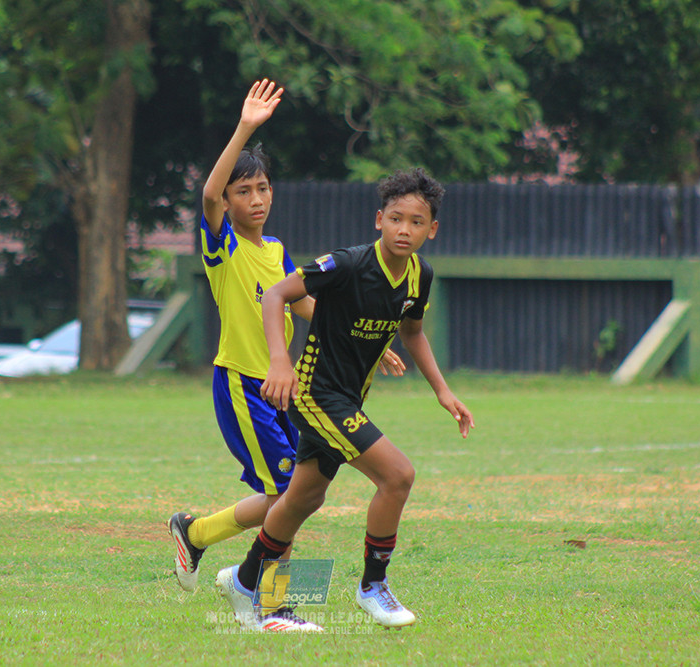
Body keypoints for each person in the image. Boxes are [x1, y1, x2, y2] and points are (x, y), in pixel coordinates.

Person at [168, 80, 405, 632]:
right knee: (287, 496)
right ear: (227, 201)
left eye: (263, 188)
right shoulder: (221, 244)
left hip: (285, 390)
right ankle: (268, 608)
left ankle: (197, 534)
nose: (256, 198)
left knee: (291, 494)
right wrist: (247, 127)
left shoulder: (275, 251)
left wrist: (375, 341)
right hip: (244, 385)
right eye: (243, 190)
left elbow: (305, 309)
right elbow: (205, 195)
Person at [215, 167, 475, 633]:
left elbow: (413, 331)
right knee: (398, 475)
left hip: (350, 398)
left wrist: (442, 389)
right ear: (379, 219)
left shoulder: (420, 276)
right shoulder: (348, 264)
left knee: (302, 499)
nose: (405, 229)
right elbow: (276, 295)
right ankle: (373, 586)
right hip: (316, 395)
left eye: (417, 222)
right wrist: (279, 360)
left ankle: (246, 581)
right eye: (396, 218)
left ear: (431, 229)